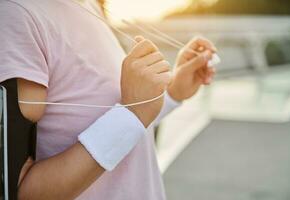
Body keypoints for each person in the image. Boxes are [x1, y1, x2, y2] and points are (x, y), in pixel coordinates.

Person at [0, 0, 217, 199]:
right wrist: (133, 113)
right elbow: (23, 193)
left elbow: (120, 126)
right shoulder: (16, 15)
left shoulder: (89, 5)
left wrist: (172, 93)